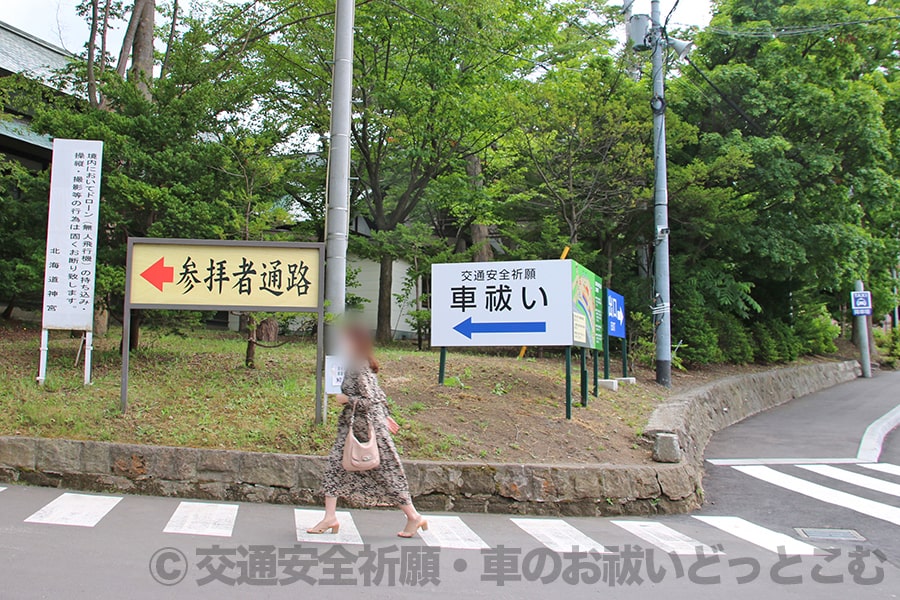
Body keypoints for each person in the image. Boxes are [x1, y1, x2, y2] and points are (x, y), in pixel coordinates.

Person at [307, 324, 428, 538]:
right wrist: (386, 414)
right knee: (335, 468)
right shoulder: (361, 363)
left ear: (355, 342)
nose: (342, 343)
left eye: (346, 339)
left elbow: (369, 400)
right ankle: (330, 517)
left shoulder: (358, 365)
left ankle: (413, 516)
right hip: (357, 428)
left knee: (388, 474)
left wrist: (347, 400)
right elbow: (378, 395)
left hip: (368, 429)